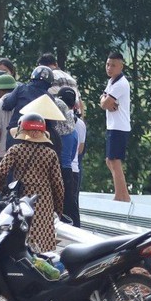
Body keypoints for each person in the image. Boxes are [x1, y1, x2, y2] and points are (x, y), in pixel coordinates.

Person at [0, 113, 66, 252]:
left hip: (22, 199)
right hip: (45, 201)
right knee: (43, 242)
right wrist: (57, 209)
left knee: (23, 236)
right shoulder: (50, 154)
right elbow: (58, 185)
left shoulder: (15, 150)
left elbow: (0, 172)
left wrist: (3, 189)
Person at [101, 52, 133, 204]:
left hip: (119, 126)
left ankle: (122, 196)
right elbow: (104, 100)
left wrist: (106, 102)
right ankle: (122, 193)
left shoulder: (121, 83)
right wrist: (105, 101)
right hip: (113, 125)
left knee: (115, 161)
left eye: (113, 65)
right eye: (108, 64)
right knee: (110, 160)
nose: (109, 68)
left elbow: (105, 103)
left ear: (121, 66)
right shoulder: (112, 81)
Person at [55, 83, 85, 225]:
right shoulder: (76, 126)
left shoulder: (54, 129)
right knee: (72, 205)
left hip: (58, 169)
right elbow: (78, 150)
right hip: (72, 170)